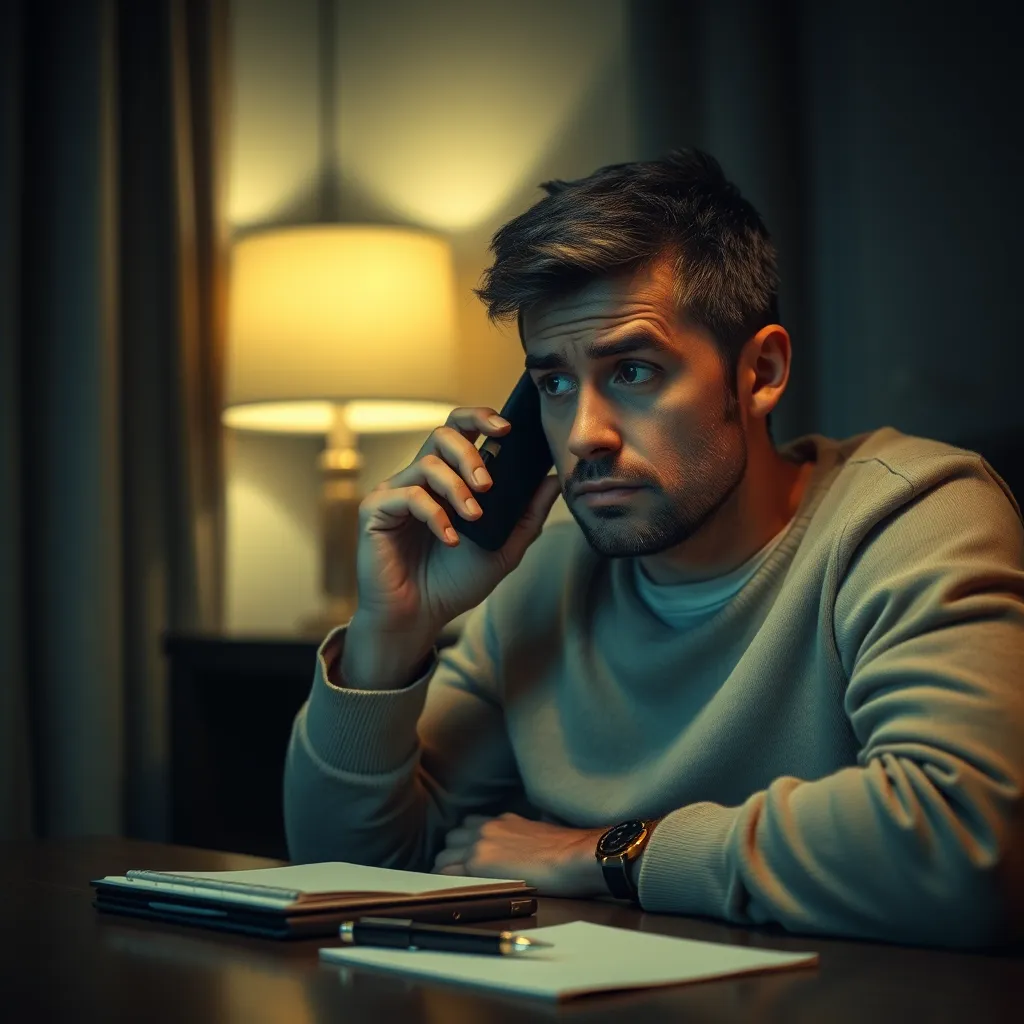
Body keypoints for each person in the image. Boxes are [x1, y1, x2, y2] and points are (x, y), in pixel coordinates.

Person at [283, 149, 1024, 948]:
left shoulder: (914, 516)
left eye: (632, 370)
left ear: (762, 371)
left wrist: (605, 853)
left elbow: (963, 845)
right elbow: (348, 873)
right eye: (555, 386)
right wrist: (391, 635)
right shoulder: (548, 577)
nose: (585, 437)